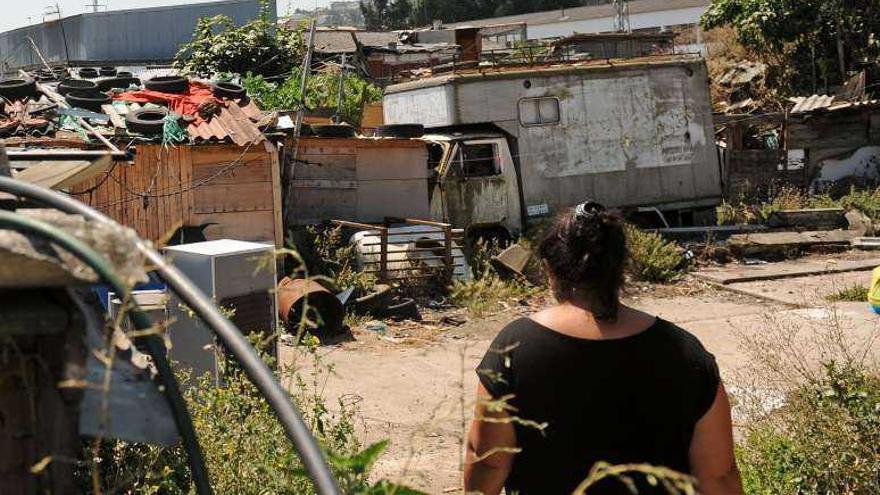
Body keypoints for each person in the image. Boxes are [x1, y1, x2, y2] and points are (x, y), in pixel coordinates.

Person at [464, 201, 743, 495]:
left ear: (550, 267)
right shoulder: (686, 354)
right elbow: (718, 477)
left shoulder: (513, 348)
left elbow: (488, 463)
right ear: (619, 268)